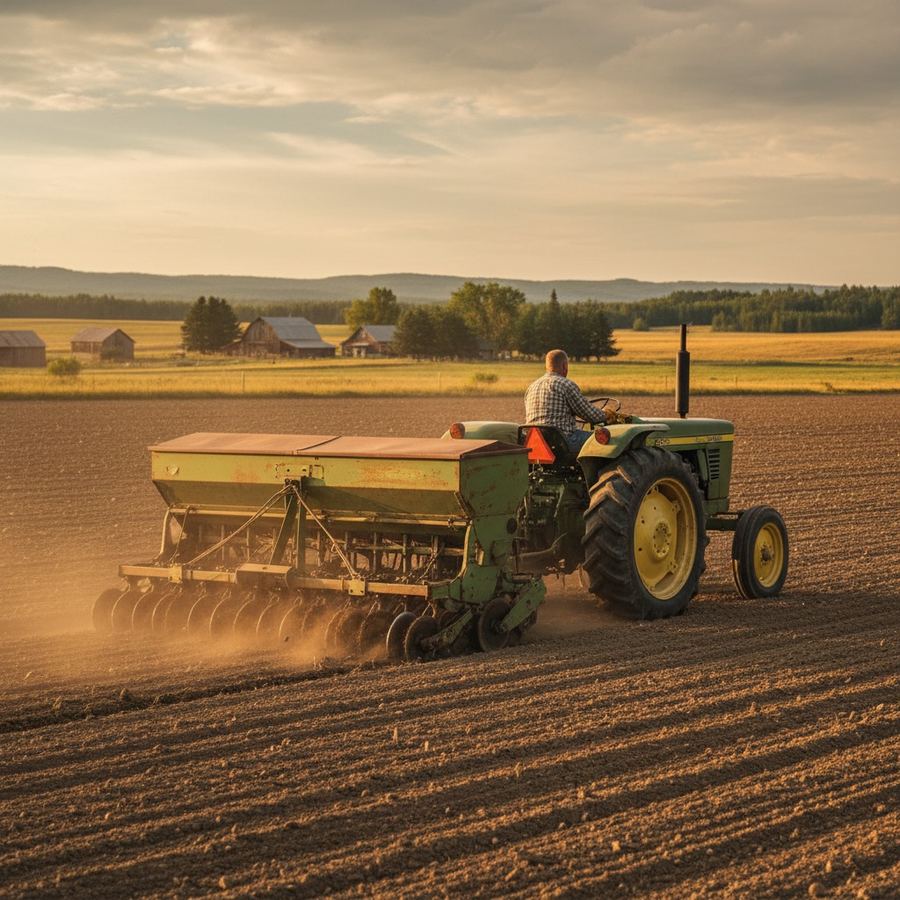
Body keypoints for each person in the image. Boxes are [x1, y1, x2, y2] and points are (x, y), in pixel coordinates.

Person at [524, 349, 608, 452]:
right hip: (561, 442)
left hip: (535, 442)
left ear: (547, 366)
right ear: (564, 366)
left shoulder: (531, 387)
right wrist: (609, 415)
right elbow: (591, 415)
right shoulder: (565, 384)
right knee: (605, 440)